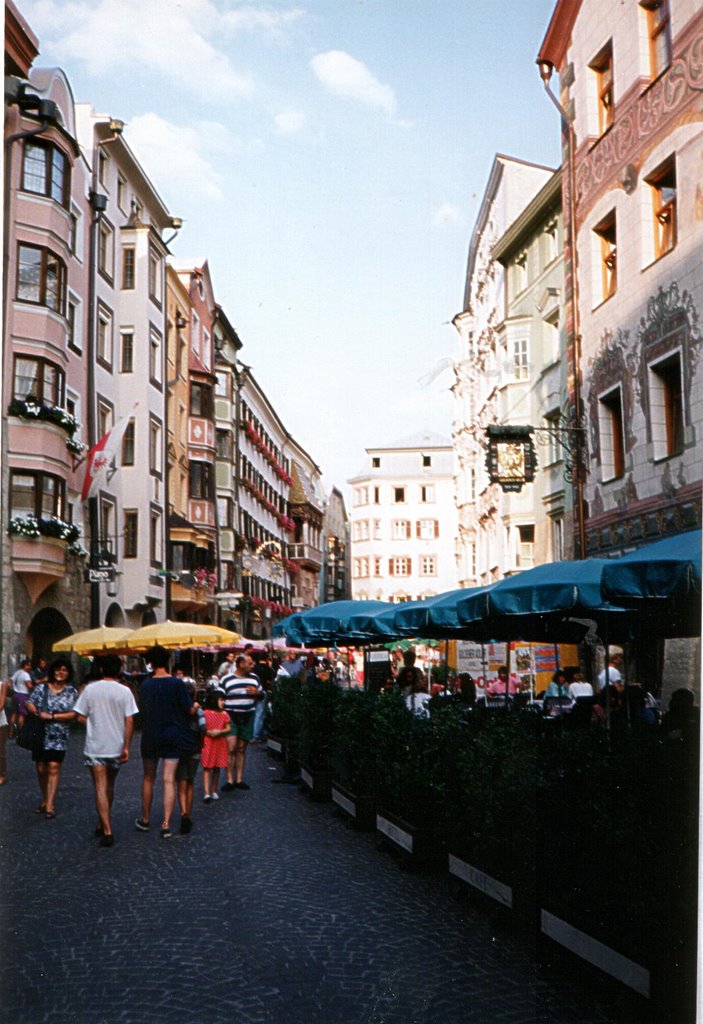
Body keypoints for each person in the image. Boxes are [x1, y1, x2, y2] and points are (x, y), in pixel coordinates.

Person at [72, 654, 138, 847]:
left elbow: (79, 717)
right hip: (116, 745)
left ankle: (106, 827)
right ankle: (104, 822)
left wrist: (93, 723)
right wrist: (126, 745)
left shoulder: (91, 689)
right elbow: (130, 720)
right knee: (110, 785)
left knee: (99, 786)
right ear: (119, 670)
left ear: (100, 670)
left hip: (95, 746)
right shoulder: (124, 691)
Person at [135, 645, 200, 839]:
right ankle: (165, 824)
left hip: (150, 735)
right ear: (168, 660)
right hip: (172, 734)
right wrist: (195, 705)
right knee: (168, 779)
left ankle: (145, 819)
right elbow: (189, 710)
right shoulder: (177, 684)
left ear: (151, 663)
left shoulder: (145, 685)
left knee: (148, 778)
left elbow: (142, 712)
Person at [25, 657, 78, 818]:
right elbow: (28, 703)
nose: (60, 673)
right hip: (40, 733)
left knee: (54, 767)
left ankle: (50, 804)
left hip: (59, 735)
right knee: (41, 769)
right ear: (52, 671)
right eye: (57, 669)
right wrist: (33, 710)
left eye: (64, 670)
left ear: (68, 673)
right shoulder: (41, 689)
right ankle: (45, 797)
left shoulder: (71, 691)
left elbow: (74, 713)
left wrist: (52, 716)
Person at [220, 654, 263, 791]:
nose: (253, 664)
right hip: (231, 716)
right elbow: (219, 695)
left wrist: (257, 693)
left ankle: (239, 779)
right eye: (250, 663)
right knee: (231, 748)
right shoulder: (227, 679)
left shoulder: (254, 678)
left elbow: (262, 695)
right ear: (240, 664)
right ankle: (229, 780)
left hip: (248, 715)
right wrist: (220, 703)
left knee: (241, 749)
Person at [201, 690, 230, 802]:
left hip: (219, 743)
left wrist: (220, 731)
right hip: (208, 742)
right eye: (221, 700)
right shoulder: (206, 713)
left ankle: (213, 790)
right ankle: (206, 792)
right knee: (207, 767)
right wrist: (208, 732)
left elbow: (228, 728)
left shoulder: (224, 714)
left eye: (224, 700)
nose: (223, 702)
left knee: (217, 767)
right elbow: (202, 727)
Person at [8, 658, 33, 739]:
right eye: (29, 665)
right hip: (23, 695)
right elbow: (29, 685)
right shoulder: (26, 674)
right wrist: (34, 686)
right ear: (25, 665)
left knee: (14, 714)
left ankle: (11, 732)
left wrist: (14, 688)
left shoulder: (17, 672)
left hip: (15, 695)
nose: (30, 667)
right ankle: (20, 733)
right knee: (22, 714)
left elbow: (10, 681)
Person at [0, 677, 9, 785]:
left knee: (0, 751)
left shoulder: (2, 685)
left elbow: (1, 705)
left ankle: (2, 773)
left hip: (0, 722)